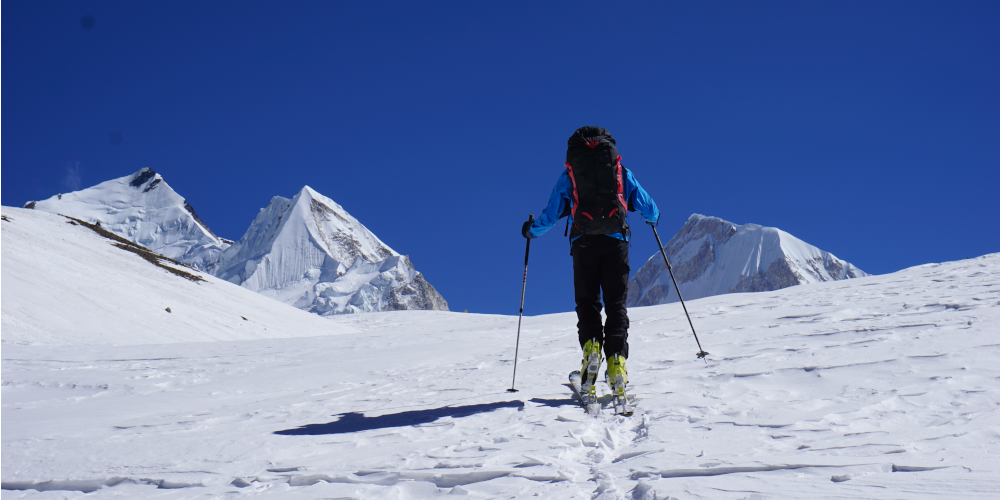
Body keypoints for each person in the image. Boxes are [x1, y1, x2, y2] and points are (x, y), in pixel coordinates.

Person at [522, 126, 659, 404]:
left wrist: (530, 231)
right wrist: (652, 218)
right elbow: (649, 206)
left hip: (583, 243)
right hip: (616, 242)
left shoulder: (569, 175)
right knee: (616, 304)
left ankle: (591, 350)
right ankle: (617, 361)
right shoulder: (620, 171)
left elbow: (550, 215)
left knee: (587, 303)